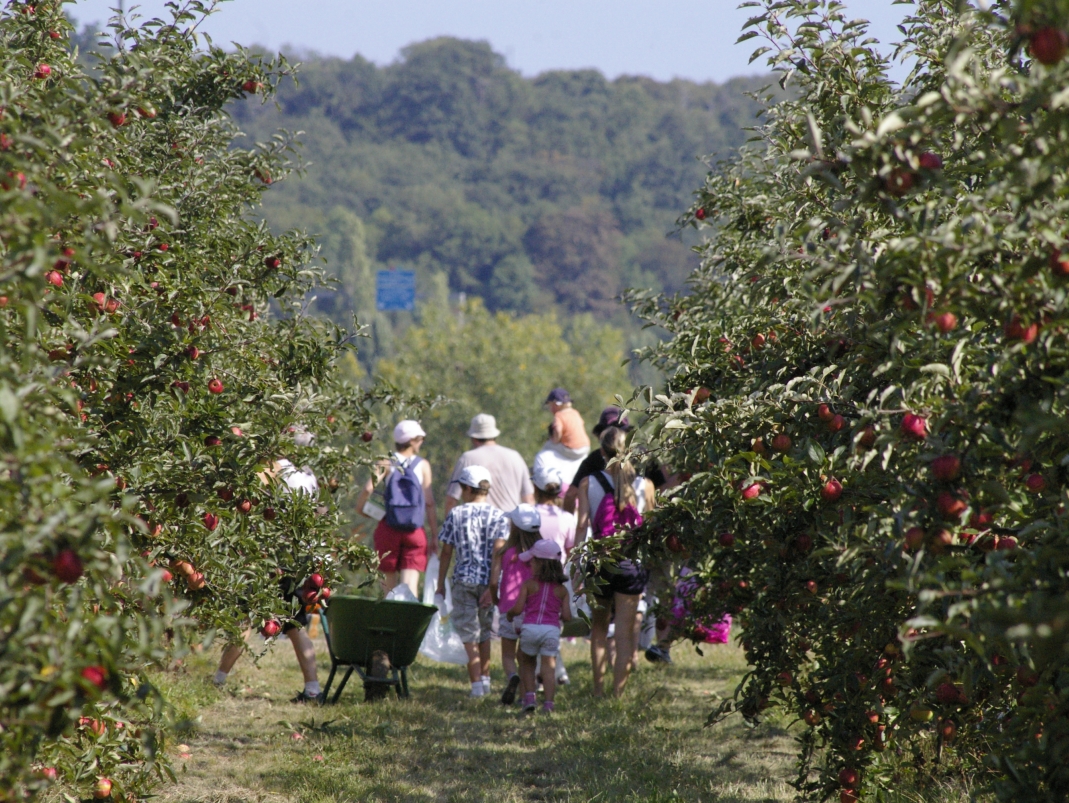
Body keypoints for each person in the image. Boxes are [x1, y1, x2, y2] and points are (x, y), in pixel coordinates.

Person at [213, 428, 325, 703]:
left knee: (245, 617)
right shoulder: (309, 476)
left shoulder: (271, 471)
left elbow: (250, 509)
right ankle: (313, 689)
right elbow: (320, 513)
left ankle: (218, 680)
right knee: (295, 624)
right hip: (298, 557)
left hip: (269, 557)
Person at [576, 426, 656, 697]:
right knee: (624, 632)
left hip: (600, 563)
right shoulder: (645, 485)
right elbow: (651, 528)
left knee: (599, 629)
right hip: (631, 565)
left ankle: (598, 690)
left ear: (602, 452)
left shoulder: (588, 483)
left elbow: (581, 527)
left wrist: (577, 568)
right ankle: (618, 694)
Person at [436, 465, 510, 698]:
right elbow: (499, 553)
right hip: (488, 581)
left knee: (468, 633)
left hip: (464, 580)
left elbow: (446, 552)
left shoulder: (456, 514)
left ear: (468, 489)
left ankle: (476, 685)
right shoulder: (499, 516)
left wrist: (440, 583)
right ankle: (485, 679)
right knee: (485, 631)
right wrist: (493, 584)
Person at [355, 420, 437, 597]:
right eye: (420, 439)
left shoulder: (386, 462)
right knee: (410, 588)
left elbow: (368, 488)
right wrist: (434, 535)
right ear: (412, 441)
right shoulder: (423, 465)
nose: (421, 442)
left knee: (389, 591)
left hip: (389, 528)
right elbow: (430, 502)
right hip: (414, 531)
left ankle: (390, 611)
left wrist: (360, 509)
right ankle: (408, 613)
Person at [506, 538, 573, 713]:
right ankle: (549, 704)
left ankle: (529, 697)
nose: (530, 564)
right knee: (549, 667)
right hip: (551, 630)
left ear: (540, 564)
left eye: (533, 561)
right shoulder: (562, 590)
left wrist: (510, 614)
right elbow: (567, 616)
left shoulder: (529, 585)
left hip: (530, 628)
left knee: (527, 663)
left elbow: (518, 608)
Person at [488, 504, 541, 705]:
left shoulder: (503, 551)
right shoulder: (541, 553)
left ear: (514, 527)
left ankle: (512, 676)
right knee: (527, 658)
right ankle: (526, 696)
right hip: (533, 610)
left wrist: (496, 599)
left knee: (508, 655)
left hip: (509, 609)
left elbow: (494, 582)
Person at [531, 465, 578, 686]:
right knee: (552, 627)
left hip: (531, 577)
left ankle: (542, 674)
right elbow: (571, 551)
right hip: (558, 578)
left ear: (536, 488)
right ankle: (556, 672)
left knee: (533, 625)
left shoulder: (527, 514)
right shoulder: (567, 518)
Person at [445, 414, 533, 513]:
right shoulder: (515, 457)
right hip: (510, 520)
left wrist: (450, 522)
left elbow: (451, 500)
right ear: (494, 435)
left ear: (474, 438)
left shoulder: (467, 458)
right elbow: (529, 499)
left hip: (478, 521)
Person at [563, 406, 630, 514]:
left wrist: (567, 520)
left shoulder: (595, 458)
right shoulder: (643, 455)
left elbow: (571, 495)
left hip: (602, 523)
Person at [532, 388, 591, 491]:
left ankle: (537, 470)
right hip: (585, 447)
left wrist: (555, 441)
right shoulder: (575, 413)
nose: (550, 409)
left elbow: (558, 430)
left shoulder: (559, 416)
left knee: (547, 446)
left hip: (572, 450)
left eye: (551, 405)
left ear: (557, 404)